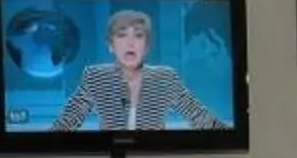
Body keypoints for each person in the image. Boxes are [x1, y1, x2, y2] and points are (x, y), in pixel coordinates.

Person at [53, 7, 219, 132]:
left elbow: (199, 117)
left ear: (147, 46)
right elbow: (66, 123)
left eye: (138, 35)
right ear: (111, 45)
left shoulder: (165, 78)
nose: (130, 43)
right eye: (122, 35)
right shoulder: (96, 76)